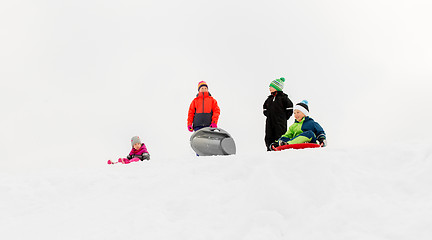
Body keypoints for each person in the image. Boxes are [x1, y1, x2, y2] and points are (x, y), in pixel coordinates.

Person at [263, 77, 293, 151]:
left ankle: (279, 148)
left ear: (277, 87)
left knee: (280, 134)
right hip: (270, 121)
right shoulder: (269, 99)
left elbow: (290, 109)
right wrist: (269, 115)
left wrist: (283, 117)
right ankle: (269, 148)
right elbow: (264, 109)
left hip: (280, 121)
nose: (269, 88)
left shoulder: (283, 98)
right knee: (269, 135)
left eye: (271, 86)